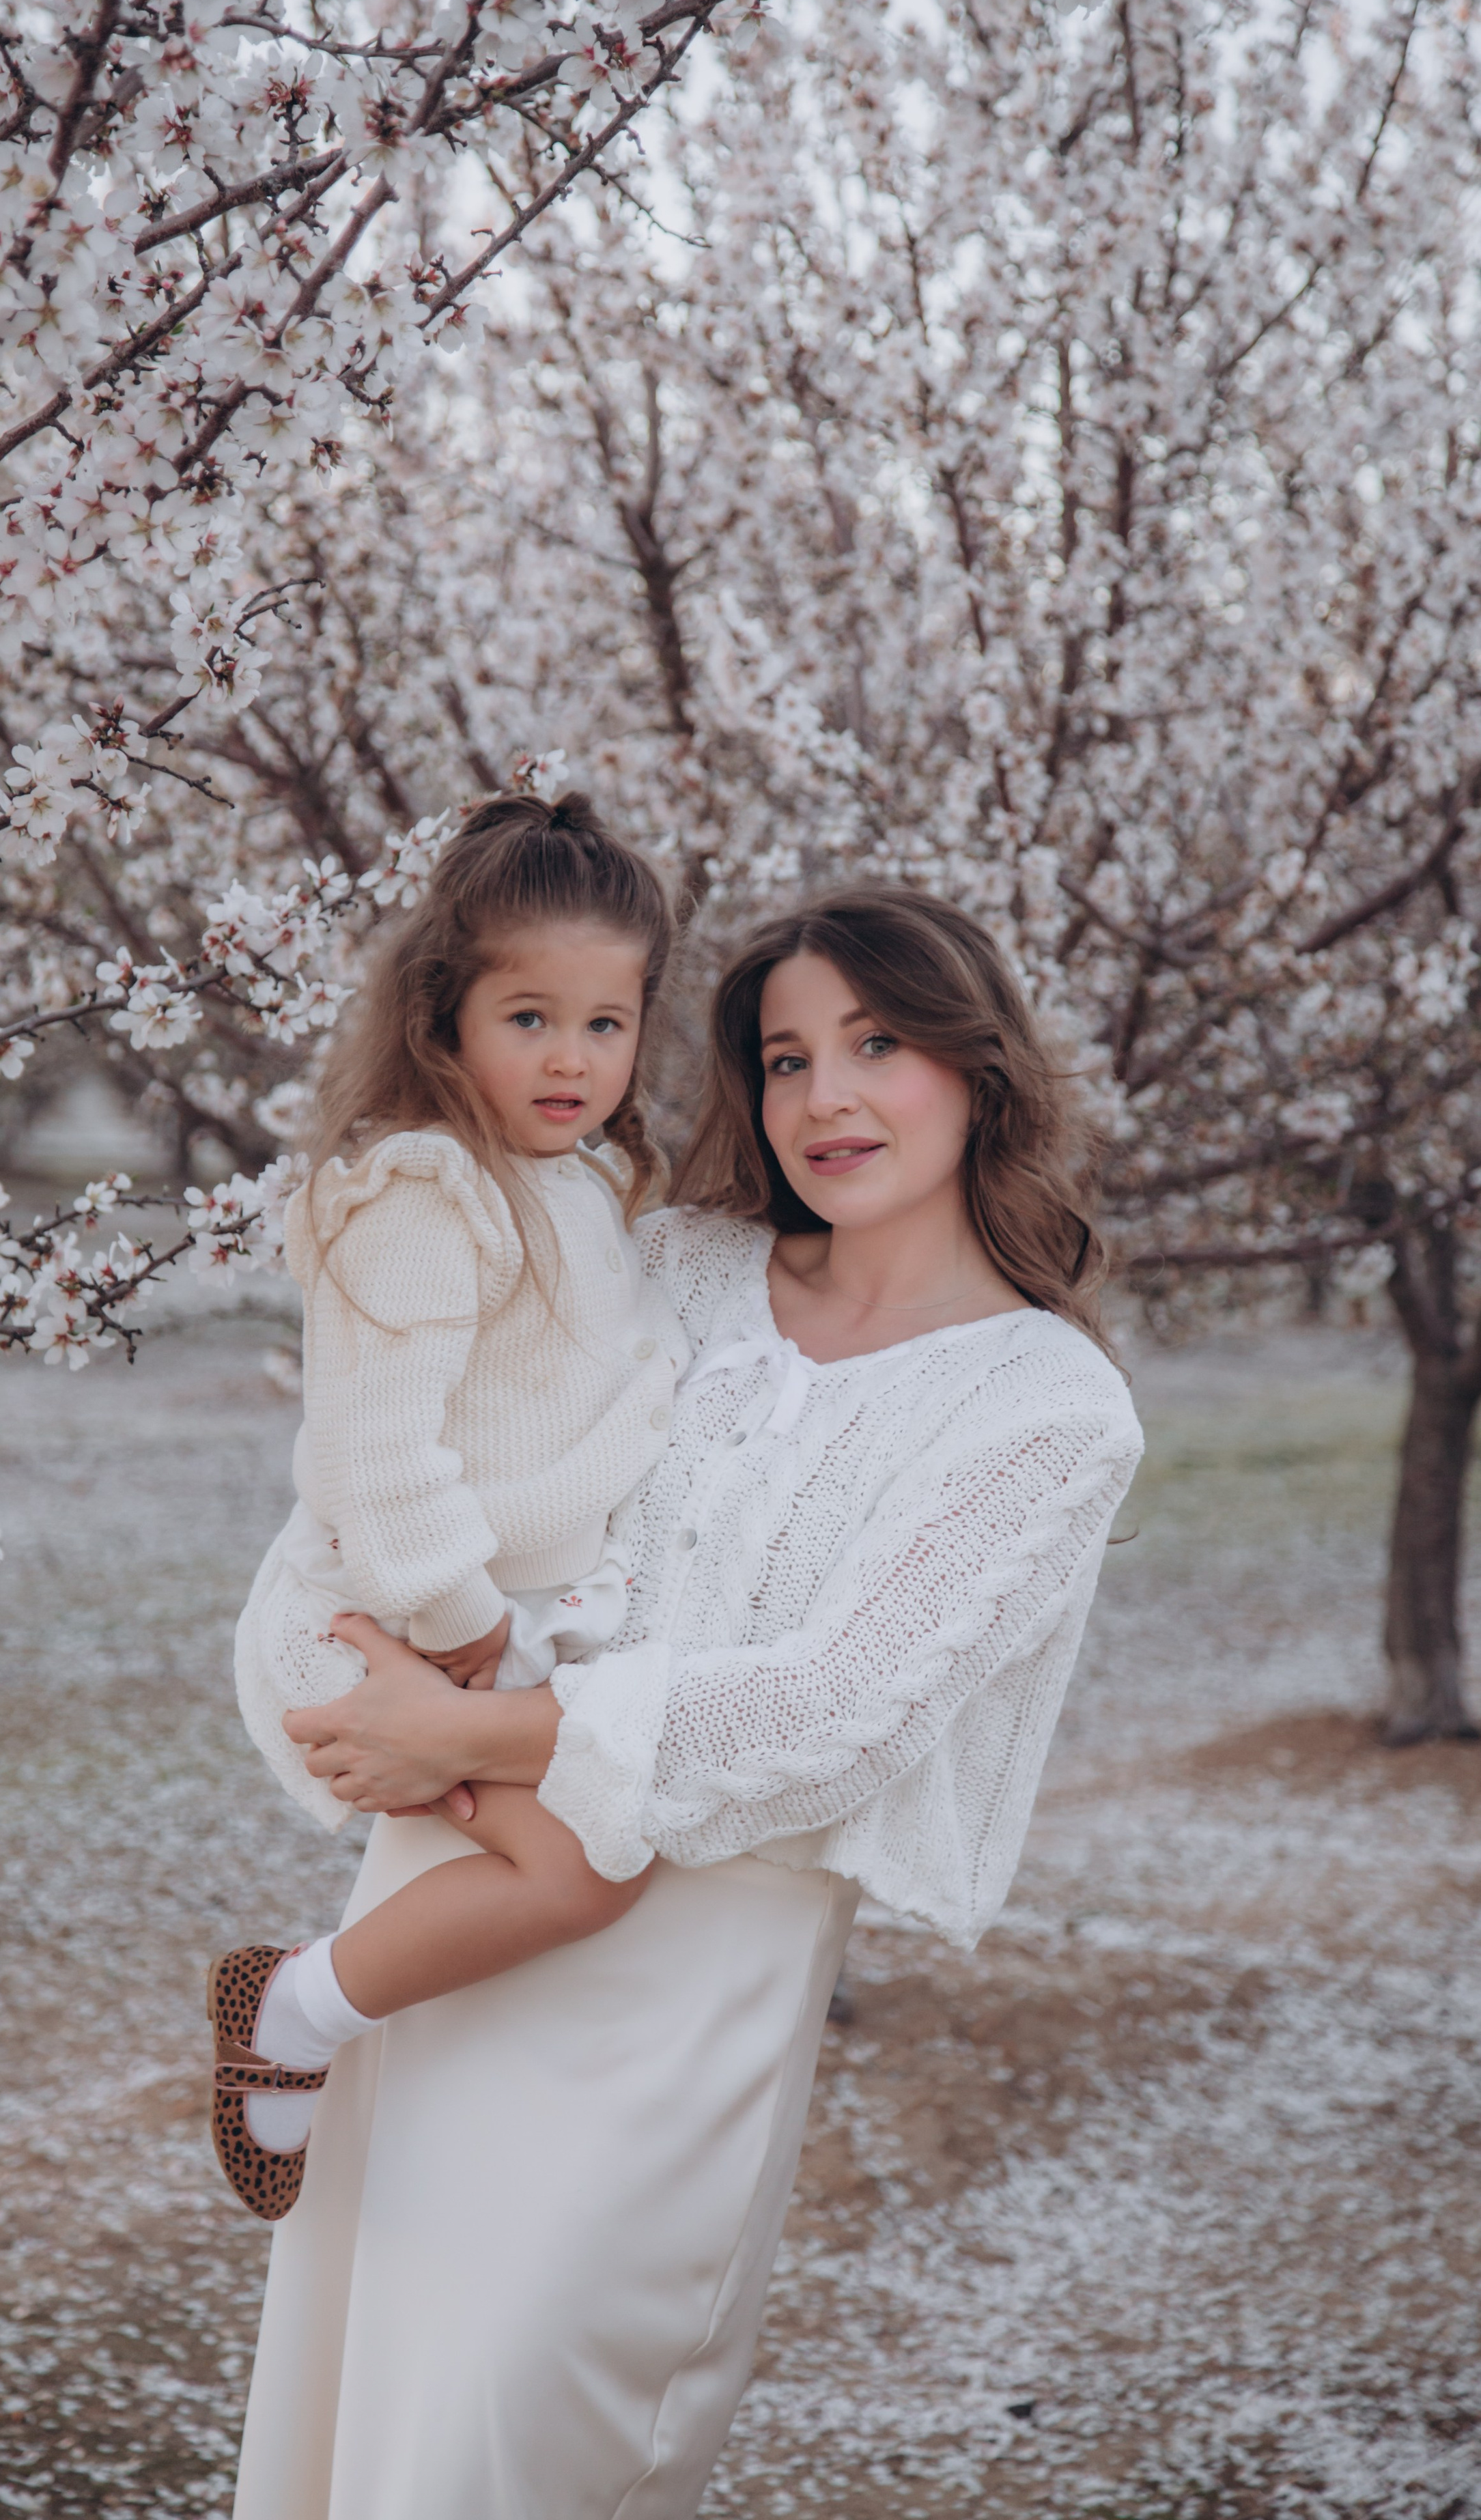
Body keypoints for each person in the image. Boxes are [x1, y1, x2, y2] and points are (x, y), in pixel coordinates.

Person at [231, 883, 1144, 2520]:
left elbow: (837, 1711)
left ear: (979, 1068)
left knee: (515, 2441)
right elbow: (428, 1434)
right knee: (362, 2403)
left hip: (692, 1971)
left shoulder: (1047, 1408)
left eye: (877, 1046)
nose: (826, 1099)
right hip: (455, 1896)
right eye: (784, 1059)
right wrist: (364, 1648)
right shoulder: (670, 1264)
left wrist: (480, 1728)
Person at [214, 791, 687, 2222]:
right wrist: (470, 1636)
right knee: (592, 1866)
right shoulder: (425, 1193)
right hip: (383, 1627)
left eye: (605, 1025)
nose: (571, 1058)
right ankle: (288, 2012)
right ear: (445, 1016)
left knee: (613, 1845)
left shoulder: (585, 1184)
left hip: (481, 1630)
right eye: (529, 1017)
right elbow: (379, 1459)